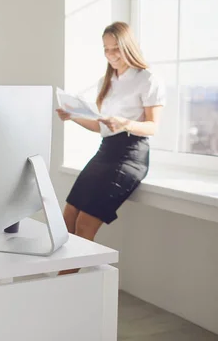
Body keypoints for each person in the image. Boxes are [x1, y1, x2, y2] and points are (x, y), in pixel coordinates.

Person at [57, 22, 165, 272]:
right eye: (106, 49)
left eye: (116, 48)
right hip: (105, 152)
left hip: (130, 156)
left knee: (84, 223)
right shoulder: (105, 81)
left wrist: (124, 123)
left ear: (129, 47)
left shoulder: (148, 80)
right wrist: (72, 117)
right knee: (67, 217)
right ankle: (64, 279)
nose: (111, 54)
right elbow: (101, 128)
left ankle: (67, 284)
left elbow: (152, 127)